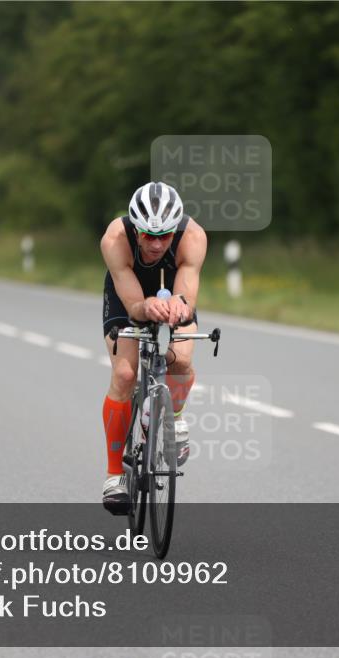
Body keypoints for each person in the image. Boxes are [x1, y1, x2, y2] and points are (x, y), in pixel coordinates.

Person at [99, 182, 207, 511]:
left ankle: (175, 415)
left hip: (172, 291)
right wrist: (146, 309)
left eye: (165, 235)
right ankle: (115, 475)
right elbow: (133, 305)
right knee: (125, 374)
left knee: (181, 362)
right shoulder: (115, 239)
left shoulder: (193, 236)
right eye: (148, 235)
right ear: (135, 227)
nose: (157, 244)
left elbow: (186, 289)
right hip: (128, 296)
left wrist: (181, 307)